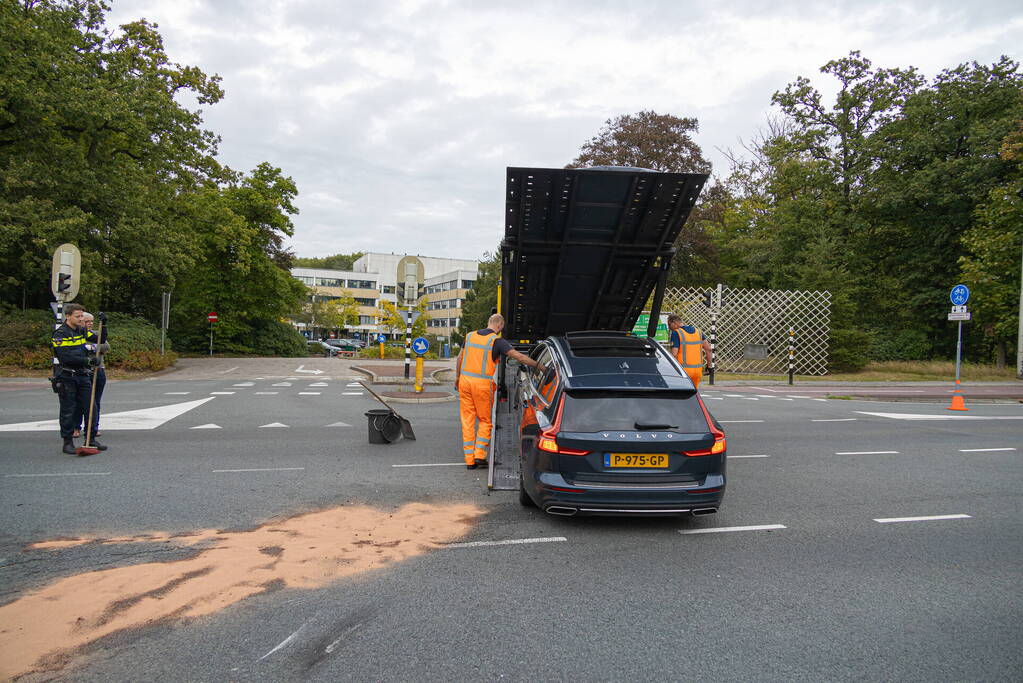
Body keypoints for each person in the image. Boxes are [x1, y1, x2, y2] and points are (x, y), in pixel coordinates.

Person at [455, 313, 544, 469]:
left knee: (467, 420)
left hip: (464, 382)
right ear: (500, 325)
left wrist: (457, 378)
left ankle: (469, 460)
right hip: (482, 385)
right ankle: (479, 456)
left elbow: (459, 359)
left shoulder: (469, 336)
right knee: (484, 420)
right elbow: (520, 358)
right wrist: (541, 367)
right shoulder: (496, 341)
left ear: (489, 322)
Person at [51, 304, 106, 454]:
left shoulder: (82, 330)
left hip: (83, 375)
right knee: (69, 410)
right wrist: (87, 361)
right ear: (68, 316)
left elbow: (100, 339)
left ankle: (91, 439)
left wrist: (104, 324)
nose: (81, 319)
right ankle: (67, 442)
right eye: (78, 316)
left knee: (91, 408)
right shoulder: (60, 334)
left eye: (82, 316)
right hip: (68, 376)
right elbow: (65, 356)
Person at [74, 312, 107, 439]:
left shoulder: (95, 334)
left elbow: (105, 345)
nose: (90, 323)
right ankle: (76, 427)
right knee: (80, 401)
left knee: (95, 401)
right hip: (82, 371)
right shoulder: (77, 334)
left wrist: (91, 347)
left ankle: (94, 427)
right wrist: (93, 349)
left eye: (92, 321)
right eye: (87, 321)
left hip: (98, 370)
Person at [667, 313, 712, 388]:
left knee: (681, 394)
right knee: (693, 394)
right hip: (697, 371)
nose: (669, 328)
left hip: (683, 371)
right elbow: (709, 349)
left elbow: (674, 354)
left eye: (669, 325)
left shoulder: (676, 333)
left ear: (674, 323)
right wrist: (709, 366)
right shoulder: (698, 332)